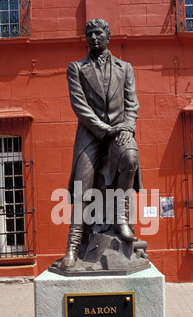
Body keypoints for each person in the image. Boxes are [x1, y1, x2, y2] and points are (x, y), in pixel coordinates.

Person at [61, 18, 143, 269]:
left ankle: (121, 220)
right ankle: (73, 246)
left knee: (130, 157)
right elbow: (80, 107)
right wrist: (105, 129)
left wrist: (127, 129)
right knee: (82, 185)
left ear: (108, 36)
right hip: (91, 134)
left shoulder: (125, 68)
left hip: (120, 132)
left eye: (98, 33)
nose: (93, 38)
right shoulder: (76, 68)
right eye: (89, 34)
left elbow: (132, 104)